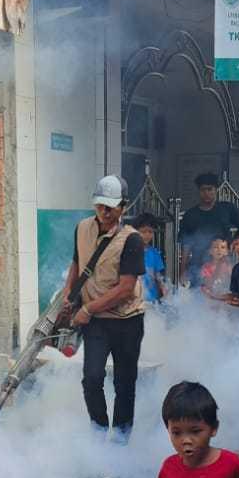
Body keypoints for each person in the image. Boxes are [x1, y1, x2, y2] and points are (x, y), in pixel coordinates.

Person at [62, 175, 145, 439]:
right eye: (100, 205)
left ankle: (121, 439)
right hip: (96, 321)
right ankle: (98, 434)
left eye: (111, 207)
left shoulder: (131, 240)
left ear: (124, 206)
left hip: (126, 320)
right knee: (92, 378)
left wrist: (88, 309)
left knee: (124, 382)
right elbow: (77, 264)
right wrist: (68, 295)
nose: (104, 212)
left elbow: (125, 288)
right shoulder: (82, 228)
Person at [178, 172, 239, 286]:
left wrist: (236, 242)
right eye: (203, 190)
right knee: (199, 298)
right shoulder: (190, 215)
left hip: (224, 265)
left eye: (210, 189)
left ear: (216, 190)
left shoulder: (226, 209)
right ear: (199, 191)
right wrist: (183, 271)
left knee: (224, 297)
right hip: (198, 267)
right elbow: (186, 246)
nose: (207, 193)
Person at [133, 213, 167, 304]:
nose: (147, 235)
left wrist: (163, 288)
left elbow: (158, 275)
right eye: (143, 232)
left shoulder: (155, 253)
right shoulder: (130, 252)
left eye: (150, 232)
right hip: (135, 301)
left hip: (152, 300)